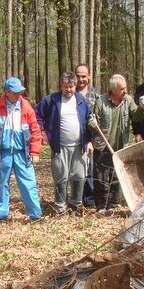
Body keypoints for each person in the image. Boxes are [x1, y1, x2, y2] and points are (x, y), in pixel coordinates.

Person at [0, 77, 43, 223]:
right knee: (1, 184)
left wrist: (35, 151)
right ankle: (0, 215)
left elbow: (35, 130)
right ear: (6, 92)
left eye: (20, 91)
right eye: (15, 92)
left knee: (29, 183)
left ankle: (35, 215)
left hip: (23, 152)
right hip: (3, 153)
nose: (18, 95)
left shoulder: (26, 106)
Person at [35, 71, 93, 214]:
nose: (68, 90)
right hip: (59, 147)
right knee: (61, 177)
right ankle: (60, 206)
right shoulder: (52, 100)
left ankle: (75, 205)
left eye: (71, 86)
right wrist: (42, 131)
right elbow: (37, 115)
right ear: (61, 86)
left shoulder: (81, 100)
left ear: (75, 86)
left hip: (80, 146)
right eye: (65, 86)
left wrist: (90, 141)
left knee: (79, 176)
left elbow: (89, 121)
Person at [88, 74, 144, 214]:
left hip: (121, 146)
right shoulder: (101, 101)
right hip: (103, 146)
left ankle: (113, 204)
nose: (125, 91)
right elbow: (93, 122)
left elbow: (136, 117)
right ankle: (101, 205)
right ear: (113, 90)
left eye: (125, 88)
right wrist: (92, 124)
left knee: (117, 177)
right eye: (122, 89)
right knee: (101, 177)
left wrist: (142, 108)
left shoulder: (128, 100)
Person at [75, 64, 99, 207]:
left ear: (89, 76)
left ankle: (89, 201)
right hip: (73, 139)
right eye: (78, 76)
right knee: (74, 172)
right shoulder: (69, 93)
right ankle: (75, 200)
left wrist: (92, 140)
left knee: (89, 171)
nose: (81, 79)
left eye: (84, 76)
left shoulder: (96, 96)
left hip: (90, 140)